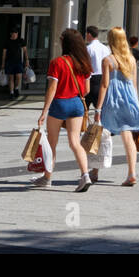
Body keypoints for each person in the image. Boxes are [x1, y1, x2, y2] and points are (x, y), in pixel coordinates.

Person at [32, 29, 94, 192]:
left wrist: (44, 111)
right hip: (77, 104)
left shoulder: (57, 62)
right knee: (75, 142)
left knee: (52, 143)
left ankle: (47, 178)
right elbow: (87, 89)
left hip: (59, 104)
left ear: (64, 43)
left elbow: (52, 88)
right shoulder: (85, 63)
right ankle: (85, 175)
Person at [95, 27, 139, 186]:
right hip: (129, 99)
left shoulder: (108, 60)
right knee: (127, 137)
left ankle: (94, 171)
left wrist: (98, 108)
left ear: (111, 41)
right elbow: (134, 84)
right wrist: (136, 105)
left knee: (101, 133)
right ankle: (132, 172)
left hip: (113, 99)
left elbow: (104, 85)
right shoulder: (131, 59)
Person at [85, 26, 110, 111]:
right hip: (103, 77)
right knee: (100, 107)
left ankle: (84, 124)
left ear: (89, 34)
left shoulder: (88, 49)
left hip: (91, 79)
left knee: (84, 107)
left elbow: (86, 64)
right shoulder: (105, 48)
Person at [3, 28, 29, 100]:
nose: (15, 35)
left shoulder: (21, 40)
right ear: (11, 34)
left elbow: (25, 51)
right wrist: (3, 63)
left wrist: (27, 60)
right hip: (9, 62)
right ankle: (11, 93)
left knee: (18, 77)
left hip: (18, 62)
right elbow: (4, 53)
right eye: (14, 34)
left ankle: (16, 88)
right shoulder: (7, 42)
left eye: (16, 34)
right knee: (10, 78)